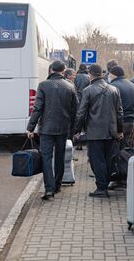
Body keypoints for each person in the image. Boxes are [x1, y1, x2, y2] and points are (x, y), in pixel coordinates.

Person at [26, 61, 78, 200]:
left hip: (47, 129)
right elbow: (75, 110)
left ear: (50, 70)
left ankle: (49, 190)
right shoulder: (70, 86)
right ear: (63, 71)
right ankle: (57, 185)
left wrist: (30, 127)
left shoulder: (43, 85)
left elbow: (38, 108)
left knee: (46, 158)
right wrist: (72, 130)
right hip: (63, 128)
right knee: (60, 157)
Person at [75, 64, 124, 198]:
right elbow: (120, 112)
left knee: (97, 160)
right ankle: (105, 185)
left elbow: (81, 113)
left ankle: (101, 188)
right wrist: (119, 130)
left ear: (90, 74)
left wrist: (77, 130)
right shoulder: (114, 90)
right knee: (108, 159)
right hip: (111, 131)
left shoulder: (88, 90)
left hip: (94, 132)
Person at [109, 66, 134, 148]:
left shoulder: (112, 87)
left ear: (114, 75)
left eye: (110, 75)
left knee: (116, 149)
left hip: (118, 123)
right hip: (130, 121)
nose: (109, 77)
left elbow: (111, 108)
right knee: (126, 148)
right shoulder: (132, 85)